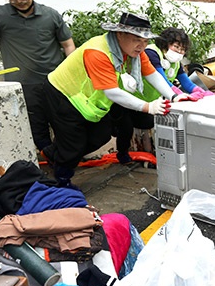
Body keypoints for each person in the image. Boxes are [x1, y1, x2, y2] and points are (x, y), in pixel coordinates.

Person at [41, 13, 189, 187]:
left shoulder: (135, 52)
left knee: (101, 135)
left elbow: (151, 74)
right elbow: (112, 92)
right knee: (74, 143)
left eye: (145, 41)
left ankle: (53, 153)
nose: (141, 46)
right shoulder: (98, 51)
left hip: (87, 100)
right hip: (63, 92)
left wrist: (174, 96)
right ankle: (62, 180)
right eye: (136, 39)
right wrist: (147, 106)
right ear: (120, 34)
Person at [0, 0, 76, 151]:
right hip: (23, 84)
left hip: (54, 81)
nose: (20, 1)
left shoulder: (50, 15)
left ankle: (65, 158)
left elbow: (68, 45)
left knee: (62, 122)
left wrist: (71, 72)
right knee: (36, 127)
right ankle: (51, 158)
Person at [110, 27, 211, 164]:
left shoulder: (175, 62)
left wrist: (203, 93)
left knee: (149, 122)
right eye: (176, 47)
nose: (179, 52)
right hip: (129, 98)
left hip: (148, 101)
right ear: (165, 44)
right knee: (125, 127)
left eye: (182, 50)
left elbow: (186, 82)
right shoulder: (152, 54)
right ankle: (122, 154)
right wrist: (177, 95)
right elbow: (160, 79)